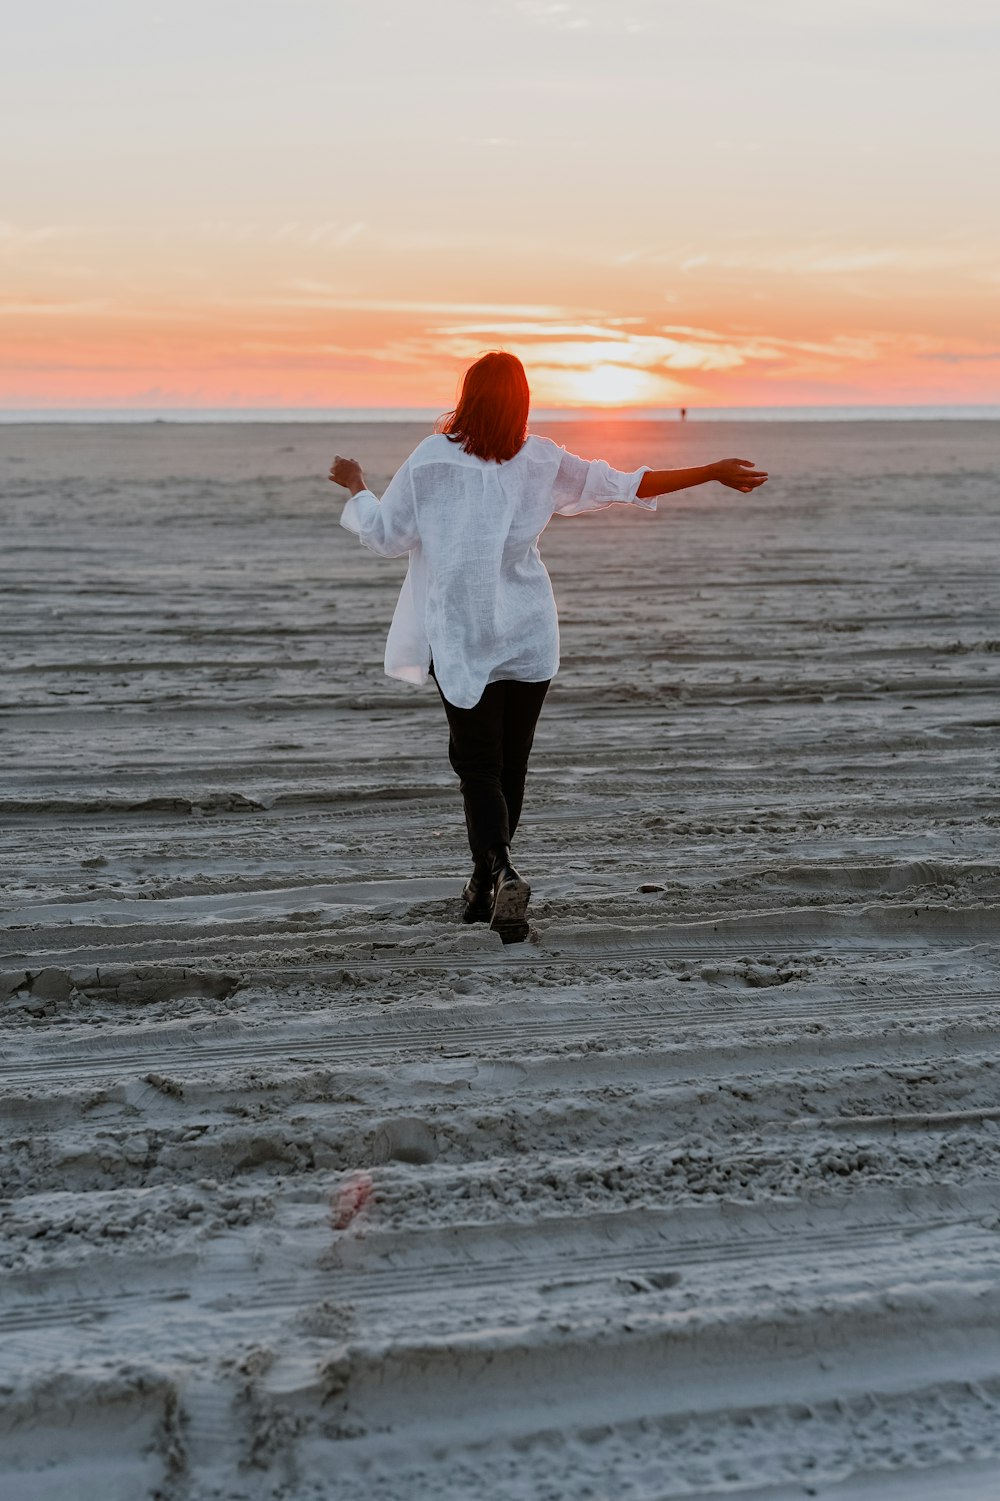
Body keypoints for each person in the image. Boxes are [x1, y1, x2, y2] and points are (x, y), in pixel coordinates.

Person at [329, 352, 767, 942]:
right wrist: (710, 469)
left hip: (463, 634)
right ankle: (486, 883)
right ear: (521, 402)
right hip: (529, 631)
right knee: (510, 764)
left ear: (469, 396)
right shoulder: (539, 459)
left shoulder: (433, 459)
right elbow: (624, 484)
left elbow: (385, 536)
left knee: (477, 766)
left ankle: (500, 869)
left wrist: (357, 486)